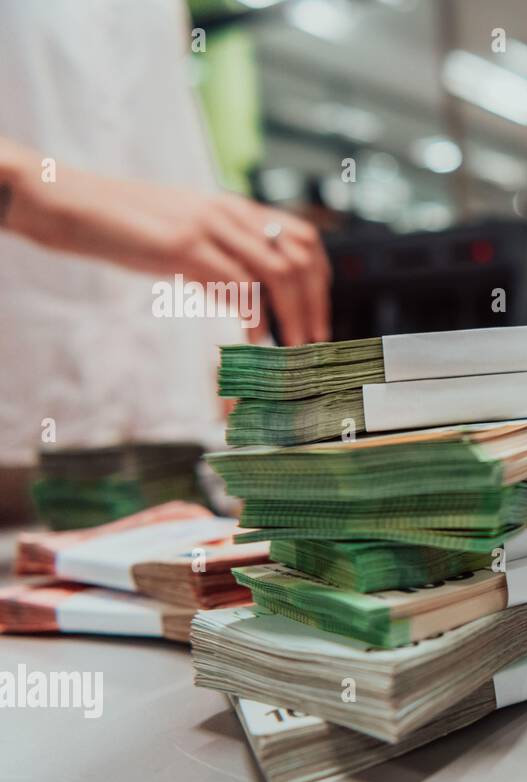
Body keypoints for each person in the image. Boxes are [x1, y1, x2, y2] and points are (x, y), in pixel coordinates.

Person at [0, 0, 331, 524]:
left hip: (165, 433)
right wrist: (45, 194)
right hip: (21, 427)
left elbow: (158, 139)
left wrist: (227, 337)